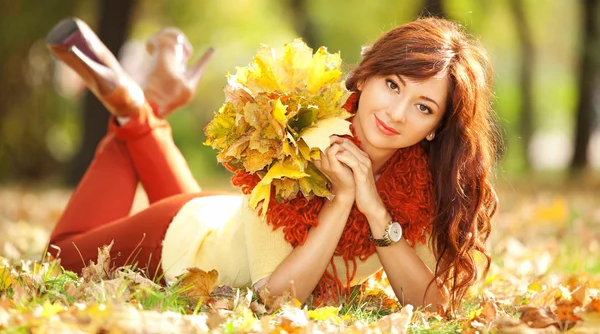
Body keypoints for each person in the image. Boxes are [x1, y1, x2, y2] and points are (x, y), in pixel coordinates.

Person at [45, 16, 501, 311]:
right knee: (59, 256)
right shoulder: (296, 134)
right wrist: (343, 199)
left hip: (227, 224)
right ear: (366, 76)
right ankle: (131, 107)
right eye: (394, 84)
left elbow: (432, 307)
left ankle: (150, 106)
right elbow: (275, 299)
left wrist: (376, 210)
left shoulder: (423, 185)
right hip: (185, 243)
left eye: (424, 107)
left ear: (438, 127)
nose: (397, 113)